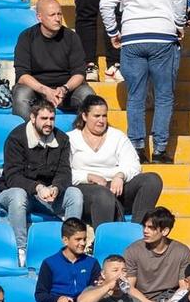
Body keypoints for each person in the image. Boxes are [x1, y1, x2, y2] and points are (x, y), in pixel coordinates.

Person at [102, 0, 190, 163]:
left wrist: (113, 31)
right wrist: (179, 23)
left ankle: (137, 149)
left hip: (132, 37)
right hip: (162, 36)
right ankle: (160, 150)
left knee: (135, 95)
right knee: (163, 95)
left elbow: (105, 2)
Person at [0, 101, 86, 251]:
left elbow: (64, 172)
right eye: (44, 118)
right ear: (33, 118)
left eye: (51, 119)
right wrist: (37, 187)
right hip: (16, 194)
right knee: (18, 195)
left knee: (74, 194)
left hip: (48, 196)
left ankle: (72, 246)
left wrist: (56, 188)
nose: (48, 123)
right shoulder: (16, 138)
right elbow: (12, 177)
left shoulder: (62, 139)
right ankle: (20, 249)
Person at [67, 94, 165, 226]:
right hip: (86, 190)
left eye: (104, 116)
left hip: (116, 187)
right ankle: (106, 240)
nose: (101, 120)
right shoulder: (70, 139)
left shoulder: (117, 136)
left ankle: (137, 232)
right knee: (103, 194)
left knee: (152, 180)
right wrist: (88, 176)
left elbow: (133, 165)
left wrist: (120, 175)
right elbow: (64, 172)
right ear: (84, 116)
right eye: (96, 116)